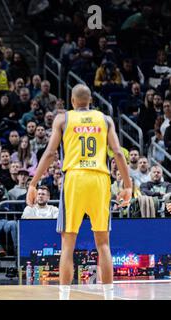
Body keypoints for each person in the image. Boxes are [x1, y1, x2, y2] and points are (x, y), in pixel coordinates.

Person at [27, 84, 132, 300]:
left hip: (74, 178)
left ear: (73, 102)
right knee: (103, 243)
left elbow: (49, 153)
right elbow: (119, 155)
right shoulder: (105, 120)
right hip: (100, 179)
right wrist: (128, 185)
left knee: (68, 243)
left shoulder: (63, 119)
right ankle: (109, 296)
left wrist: (33, 183)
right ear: (90, 100)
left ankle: (64, 297)